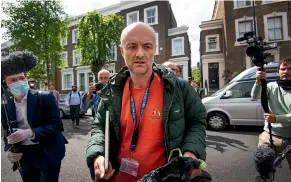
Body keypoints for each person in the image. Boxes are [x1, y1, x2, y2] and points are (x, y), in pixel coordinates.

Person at [85, 22, 208, 182]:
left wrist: (190, 153)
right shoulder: (112, 91)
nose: (140, 54)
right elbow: (99, 127)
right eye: (132, 46)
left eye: (147, 46)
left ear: (154, 49)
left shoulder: (179, 89)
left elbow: (197, 122)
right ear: (122, 51)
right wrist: (98, 154)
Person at [1, 51, 67, 182]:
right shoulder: (5, 106)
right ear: (6, 85)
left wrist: (30, 132)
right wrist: (9, 150)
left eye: (21, 78)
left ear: (26, 78)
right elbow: (6, 132)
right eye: (13, 80)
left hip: (47, 152)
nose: (19, 82)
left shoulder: (45, 97)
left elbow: (56, 126)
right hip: (24, 156)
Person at [251, 58, 291, 170]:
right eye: (283, 69)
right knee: (263, 167)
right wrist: (258, 81)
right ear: (278, 71)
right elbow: (254, 97)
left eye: (290, 69)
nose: (286, 71)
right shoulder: (271, 86)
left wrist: (276, 118)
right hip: (270, 135)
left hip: (290, 138)